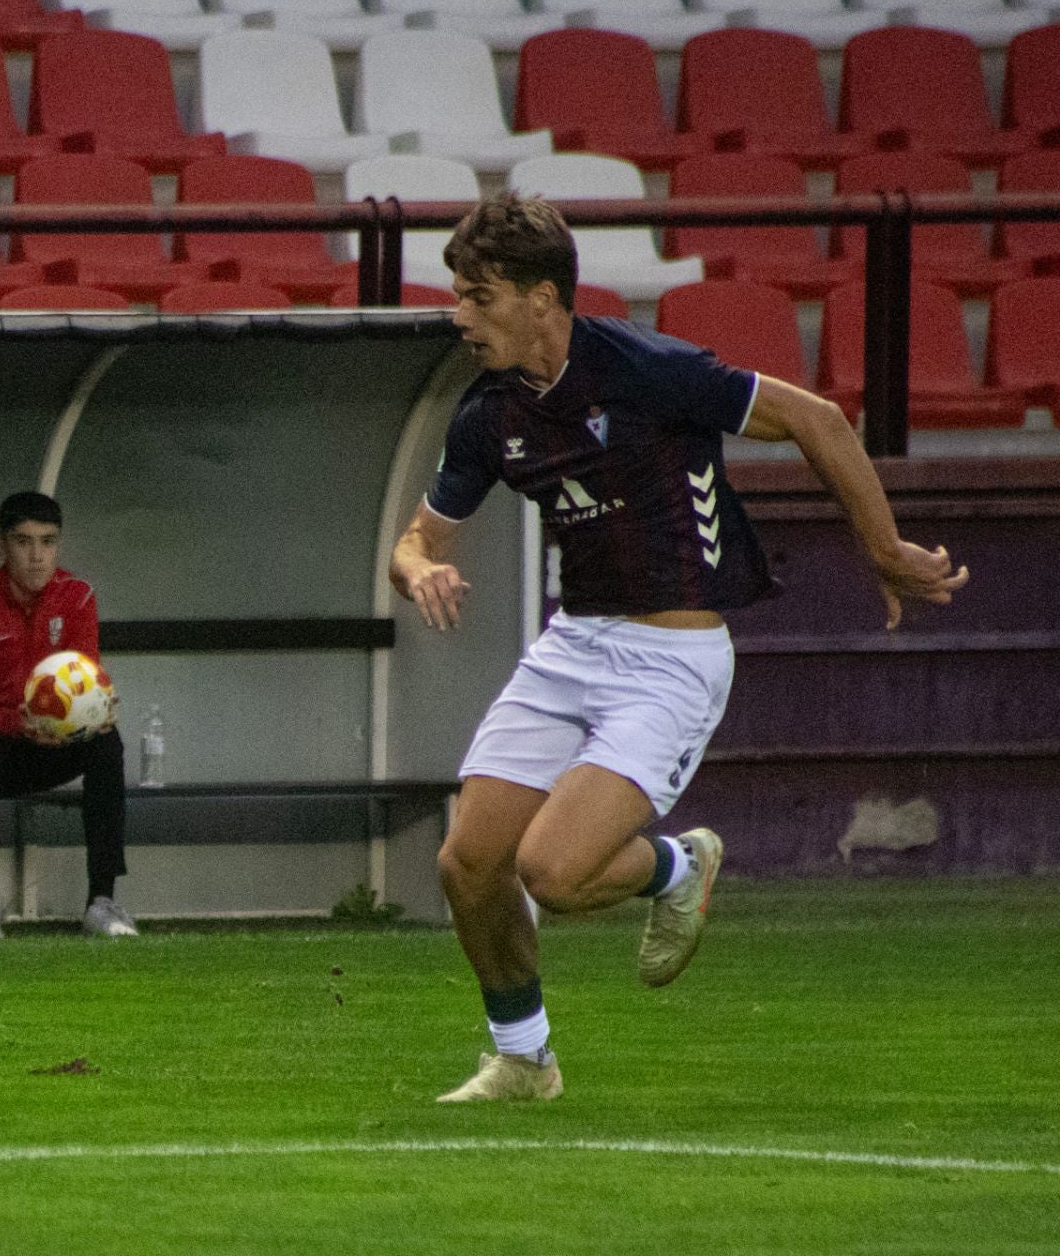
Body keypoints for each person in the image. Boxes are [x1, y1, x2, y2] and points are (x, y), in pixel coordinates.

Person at [389, 193, 969, 1103]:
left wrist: (885, 550)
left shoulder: (648, 369)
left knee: (553, 868)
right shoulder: (488, 412)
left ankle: (677, 863)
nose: (459, 316)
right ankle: (523, 1061)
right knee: (467, 862)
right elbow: (417, 537)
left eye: (480, 296)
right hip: (573, 644)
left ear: (544, 297)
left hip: (672, 659)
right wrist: (418, 566)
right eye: (458, 296)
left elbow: (817, 418)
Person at [0, 491, 135, 940]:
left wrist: (94, 713)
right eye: (23, 542)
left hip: (37, 744)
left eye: (48, 542)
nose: (37, 557)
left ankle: (103, 902)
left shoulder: (77, 597)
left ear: (59, 545)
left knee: (107, 744)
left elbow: (86, 677)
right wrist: (21, 724)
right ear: (2, 547)